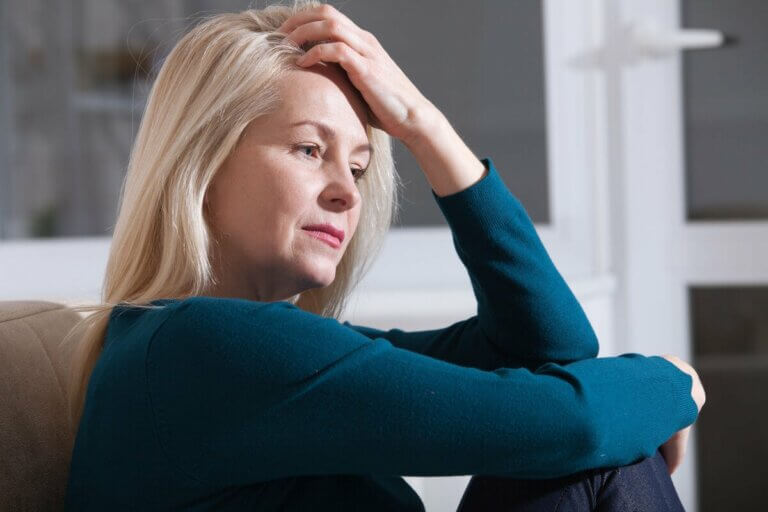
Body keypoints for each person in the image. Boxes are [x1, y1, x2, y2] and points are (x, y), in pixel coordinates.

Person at [62, 1, 706, 510]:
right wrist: (676, 380)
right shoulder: (203, 350)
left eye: (362, 166)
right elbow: (574, 424)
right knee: (604, 442)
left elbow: (551, 348)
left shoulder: (241, 350)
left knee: (602, 437)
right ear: (202, 162)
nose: (347, 191)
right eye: (310, 150)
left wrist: (423, 123)